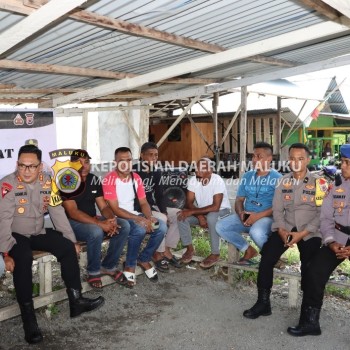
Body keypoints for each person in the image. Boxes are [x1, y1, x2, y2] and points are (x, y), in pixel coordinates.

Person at [0, 145, 104, 344]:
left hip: (37, 231)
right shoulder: (7, 185)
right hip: (15, 235)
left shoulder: (48, 182)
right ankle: (29, 320)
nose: (27, 170)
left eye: (32, 166)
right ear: (17, 164)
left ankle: (76, 301)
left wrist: (71, 240)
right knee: (23, 258)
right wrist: (5, 253)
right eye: (22, 166)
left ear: (40, 167)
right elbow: (3, 221)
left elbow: (57, 212)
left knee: (66, 247)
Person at [243, 143, 324, 319]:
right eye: (292, 158)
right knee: (266, 258)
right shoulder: (282, 181)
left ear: (308, 160)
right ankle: (263, 303)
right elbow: (277, 209)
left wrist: (302, 234)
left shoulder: (319, 183)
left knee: (309, 267)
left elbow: (321, 214)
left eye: (300, 159)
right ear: (288, 160)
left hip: (309, 230)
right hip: (286, 226)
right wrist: (280, 229)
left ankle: (307, 311)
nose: (296, 162)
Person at [287, 144, 350, 336]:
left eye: (347, 163)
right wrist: (331, 242)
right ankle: (310, 323)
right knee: (314, 272)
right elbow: (325, 217)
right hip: (338, 239)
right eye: (343, 162)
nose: (343, 166)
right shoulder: (337, 185)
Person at [61, 149, 130, 289]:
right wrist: (100, 223)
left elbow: (103, 206)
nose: (84, 166)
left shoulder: (93, 179)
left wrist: (111, 219)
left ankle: (108, 266)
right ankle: (93, 271)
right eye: (79, 163)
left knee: (124, 226)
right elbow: (73, 212)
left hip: (92, 219)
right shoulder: (66, 181)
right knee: (96, 231)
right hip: (71, 223)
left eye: (86, 162)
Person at [102, 147, 167, 287]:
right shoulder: (109, 179)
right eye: (122, 161)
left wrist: (149, 218)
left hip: (135, 214)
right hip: (119, 217)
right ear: (115, 162)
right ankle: (130, 265)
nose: (126, 164)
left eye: (129, 160)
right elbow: (115, 209)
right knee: (139, 230)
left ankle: (143, 259)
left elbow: (144, 202)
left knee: (161, 227)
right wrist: (139, 219)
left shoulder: (135, 177)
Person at [216, 142, 282, 265]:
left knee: (256, 232)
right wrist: (241, 213)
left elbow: (279, 206)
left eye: (259, 156)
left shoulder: (278, 178)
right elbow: (239, 200)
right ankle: (248, 250)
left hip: (267, 218)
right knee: (220, 226)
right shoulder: (247, 176)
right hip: (246, 216)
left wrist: (256, 216)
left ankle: (272, 258)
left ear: (269, 159)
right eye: (253, 156)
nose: (254, 159)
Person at [133, 142, 182, 272]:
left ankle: (166, 249)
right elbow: (136, 200)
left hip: (151, 206)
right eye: (150, 155)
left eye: (156, 155)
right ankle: (157, 254)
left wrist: (164, 211)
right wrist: (157, 214)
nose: (154, 158)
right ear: (142, 156)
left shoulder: (156, 171)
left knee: (178, 214)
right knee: (162, 220)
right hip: (137, 209)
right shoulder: (134, 171)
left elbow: (159, 195)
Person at [177, 157, 231, 269]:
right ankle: (190, 249)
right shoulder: (193, 180)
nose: (198, 170)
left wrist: (195, 212)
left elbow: (216, 207)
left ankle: (215, 253)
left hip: (222, 211)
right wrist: (200, 216)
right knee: (181, 216)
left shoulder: (217, 180)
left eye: (202, 168)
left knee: (211, 217)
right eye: (197, 168)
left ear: (211, 170)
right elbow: (189, 202)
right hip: (203, 212)